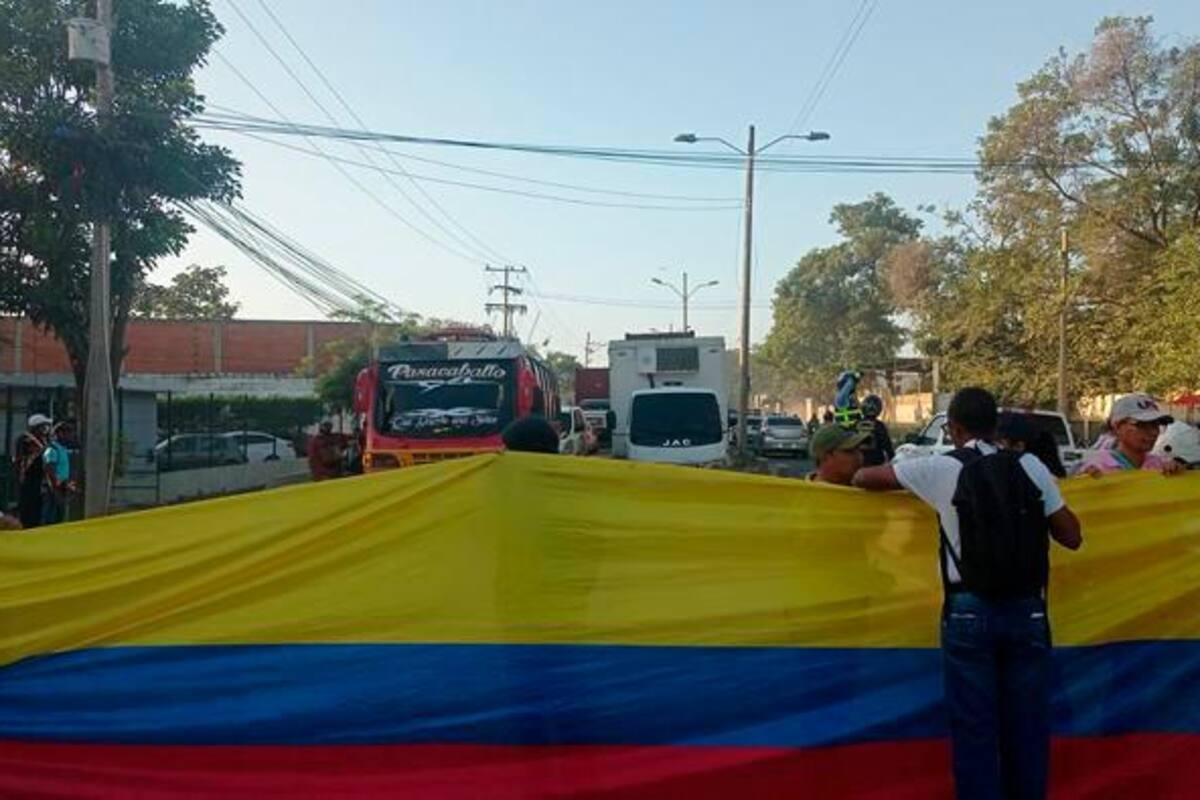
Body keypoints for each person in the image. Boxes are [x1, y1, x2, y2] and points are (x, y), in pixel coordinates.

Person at [853, 387, 1082, 799]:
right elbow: (1071, 536)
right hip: (1028, 611)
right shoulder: (1029, 465)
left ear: (954, 428)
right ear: (996, 426)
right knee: (1027, 726)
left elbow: (866, 478)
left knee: (975, 729)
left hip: (968, 612)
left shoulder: (939, 468)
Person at [1080, 393, 1181, 476]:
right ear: (1117, 427)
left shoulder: (1160, 466)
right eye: (1142, 425)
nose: (1153, 432)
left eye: (1156, 425)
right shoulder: (1098, 467)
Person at [998, 413, 1066, 478]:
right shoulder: (1053, 480)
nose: (999, 450)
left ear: (1019, 446)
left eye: (1002, 445)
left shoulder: (1018, 478)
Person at [41, 421, 75, 526]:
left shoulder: (62, 449)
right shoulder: (52, 449)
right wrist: (55, 490)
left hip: (61, 487)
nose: (70, 436)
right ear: (60, 433)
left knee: (59, 518)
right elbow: (49, 470)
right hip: (53, 488)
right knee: (50, 518)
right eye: (68, 433)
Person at [14, 423, 47, 529]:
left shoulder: (42, 443)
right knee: (27, 507)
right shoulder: (25, 439)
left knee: (36, 509)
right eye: (41, 427)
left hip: (37, 483)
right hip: (28, 482)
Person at [859, 394, 895, 467]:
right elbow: (887, 446)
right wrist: (893, 459)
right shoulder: (880, 426)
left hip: (859, 463)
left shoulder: (856, 424)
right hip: (876, 464)